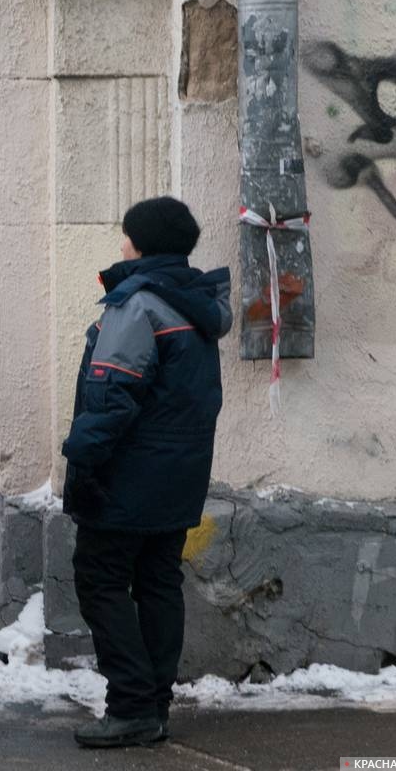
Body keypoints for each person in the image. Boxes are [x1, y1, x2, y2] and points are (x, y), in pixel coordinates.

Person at [61, 196, 231, 749]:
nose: (121, 244)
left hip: (127, 476)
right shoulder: (195, 302)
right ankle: (154, 705)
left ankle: (132, 705)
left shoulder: (138, 305)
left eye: (126, 235)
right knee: (159, 582)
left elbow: (111, 394)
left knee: (100, 579)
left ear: (143, 244)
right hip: (179, 474)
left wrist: (82, 455)